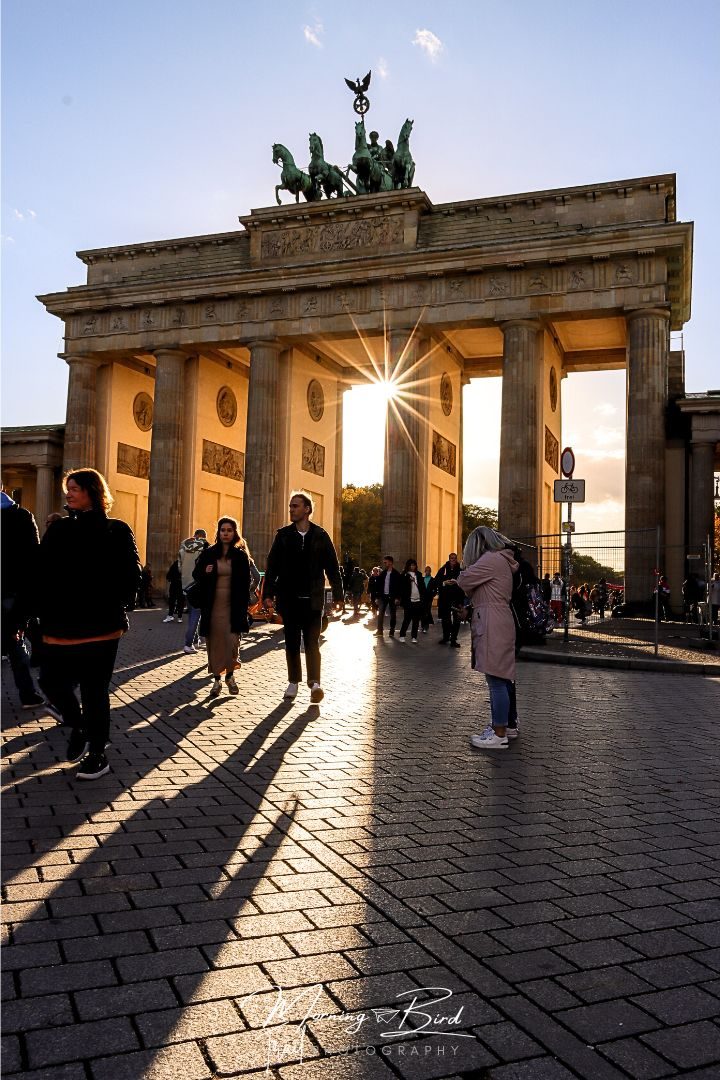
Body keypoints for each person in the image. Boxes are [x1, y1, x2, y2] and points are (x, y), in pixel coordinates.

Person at [37, 469, 141, 780]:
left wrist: (117, 599)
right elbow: (40, 572)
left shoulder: (117, 529)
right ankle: (79, 724)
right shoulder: (59, 530)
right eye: (67, 488)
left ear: (93, 491)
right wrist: (31, 613)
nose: (68, 493)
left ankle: (97, 753)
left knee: (95, 690)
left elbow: (132, 572)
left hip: (102, 623)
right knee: (50, 681)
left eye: (75, 488)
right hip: (61, 623)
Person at [264, 491, 344, 703]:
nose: (291, 510)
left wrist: (339, 595)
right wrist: (268, 594)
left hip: (313, 600)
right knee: (291, 642)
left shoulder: (321, 535)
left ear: (307, 509)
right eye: (290, 506)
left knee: (312, 643)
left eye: (295, 506)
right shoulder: (282, 536)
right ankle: (293, 682)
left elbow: (333, 568)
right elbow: (272, 567)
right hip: (288, 599)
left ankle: (315, 684)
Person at [458, 527, 519, 751]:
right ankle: (505, 727)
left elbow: (464, 581)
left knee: (495, 680)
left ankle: (499, 732)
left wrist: (466, 571)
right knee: (502, 678)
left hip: (492, 622)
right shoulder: (501, 559)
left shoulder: (490, 560)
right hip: (498, 618)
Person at [192, 517, 250, 698]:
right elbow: (196, 574)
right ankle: (217, 680)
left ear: (235, 533)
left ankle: (230, 676)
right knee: (215, 644)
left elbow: (246, 581)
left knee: (232, 642)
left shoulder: (240, 556)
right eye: (223, 530)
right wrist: (206, 572)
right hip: (213, 606)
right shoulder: (209, 553)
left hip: (233, 607)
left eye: (229, 530)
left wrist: (245, 604)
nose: (225, 533)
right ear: (218, 532)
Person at [1, 489, 45, 708]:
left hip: (11, 592)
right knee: (16, 644)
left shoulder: (21, 516)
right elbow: (34, 559)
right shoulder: (21, 516)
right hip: (12, 592)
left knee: (15, 644)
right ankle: (28, 694)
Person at [178, 529, 209, 653]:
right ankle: (189, 643)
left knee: (192, 613)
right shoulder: (206, 546)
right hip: (198, 584)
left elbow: (179, 567)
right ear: (203, 537)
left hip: (185, 584)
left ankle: (195, 640)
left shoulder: (183, 545)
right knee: (196, 615)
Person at [434, 552, 464, 647]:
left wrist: (457, 582)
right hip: (445, 599)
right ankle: (446, 637)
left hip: (456, 598)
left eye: (455, 558)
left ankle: (453, 639)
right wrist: (444, 583)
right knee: (445, 619)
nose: (453, 560)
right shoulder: (443, 569)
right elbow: (436, 581)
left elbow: (464, 582)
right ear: (449, 559)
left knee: (456, 620)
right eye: (451, 558)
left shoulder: (460, 570)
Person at [399, 559, 427, 643]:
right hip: (409, 600)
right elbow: (402, 588)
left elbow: (422, 587)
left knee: (416, 620)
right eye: (411, 565)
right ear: (408, 566)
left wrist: (424, 598)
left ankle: (414, 637)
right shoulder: (404, 575)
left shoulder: (419, 574)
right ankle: (402, 635)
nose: (412, 567)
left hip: (418, 600)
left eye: (414, 565)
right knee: (407, 619)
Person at [375, 555, 402, 638]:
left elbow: (399, 587)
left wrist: (398, 598)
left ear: (390, 562)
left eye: (385, 562)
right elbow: (379, 586)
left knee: (393, 614)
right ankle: (380, 631)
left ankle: (392, 631)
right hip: (383, 597)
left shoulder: (396, 574)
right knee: (380, 614)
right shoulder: (383, 573)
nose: (384, 563)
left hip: (392, 597)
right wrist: (377, 597)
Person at [421, 565, 435, 631]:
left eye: (429, 571)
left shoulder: (432, 579)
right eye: (426, 571)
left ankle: (426, 625)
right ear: (425, 571)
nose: (427, 572)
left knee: (427, 610)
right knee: (423, 611)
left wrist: (432, 595)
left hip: (429, 598)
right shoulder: (422, 579)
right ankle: (423, 625)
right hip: (423, 597)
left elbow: (435, 589)